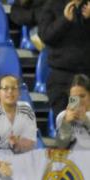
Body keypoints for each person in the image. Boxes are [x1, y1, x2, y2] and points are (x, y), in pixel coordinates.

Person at [38, 0, 90, 131]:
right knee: (67, 127)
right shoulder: (52, 4)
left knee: (84, 126)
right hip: (62, 78)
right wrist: (64, 20)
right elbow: (46, 36)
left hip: (86, 78)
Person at [55, 74, 90, 149]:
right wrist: (66, 124)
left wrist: (86, 121)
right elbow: (61, 146)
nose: (79, 101)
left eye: (82, 96)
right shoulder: (62, 116)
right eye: (74, 98)